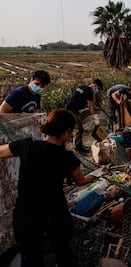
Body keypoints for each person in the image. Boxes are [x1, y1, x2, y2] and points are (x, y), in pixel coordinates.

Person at [0, 109, 96, 267]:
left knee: (30, 258)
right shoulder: (67, 158)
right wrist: (94, 176)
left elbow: (1, 152)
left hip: (25, 216)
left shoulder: (27, 146)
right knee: (63, 254)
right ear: (66, 132)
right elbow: (80, 180)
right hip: (55, 216)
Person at [64, 79, 103, 154]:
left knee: (75, 128)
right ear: (95, 85)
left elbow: (79, 99)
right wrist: (95, 119)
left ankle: (78, 146)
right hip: (72, 110)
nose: (97, 91)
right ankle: (79, 149)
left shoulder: (82, 87)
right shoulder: (89, 91)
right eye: (98, 89)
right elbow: (90, 106)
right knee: (79, 129)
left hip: (68, 108)